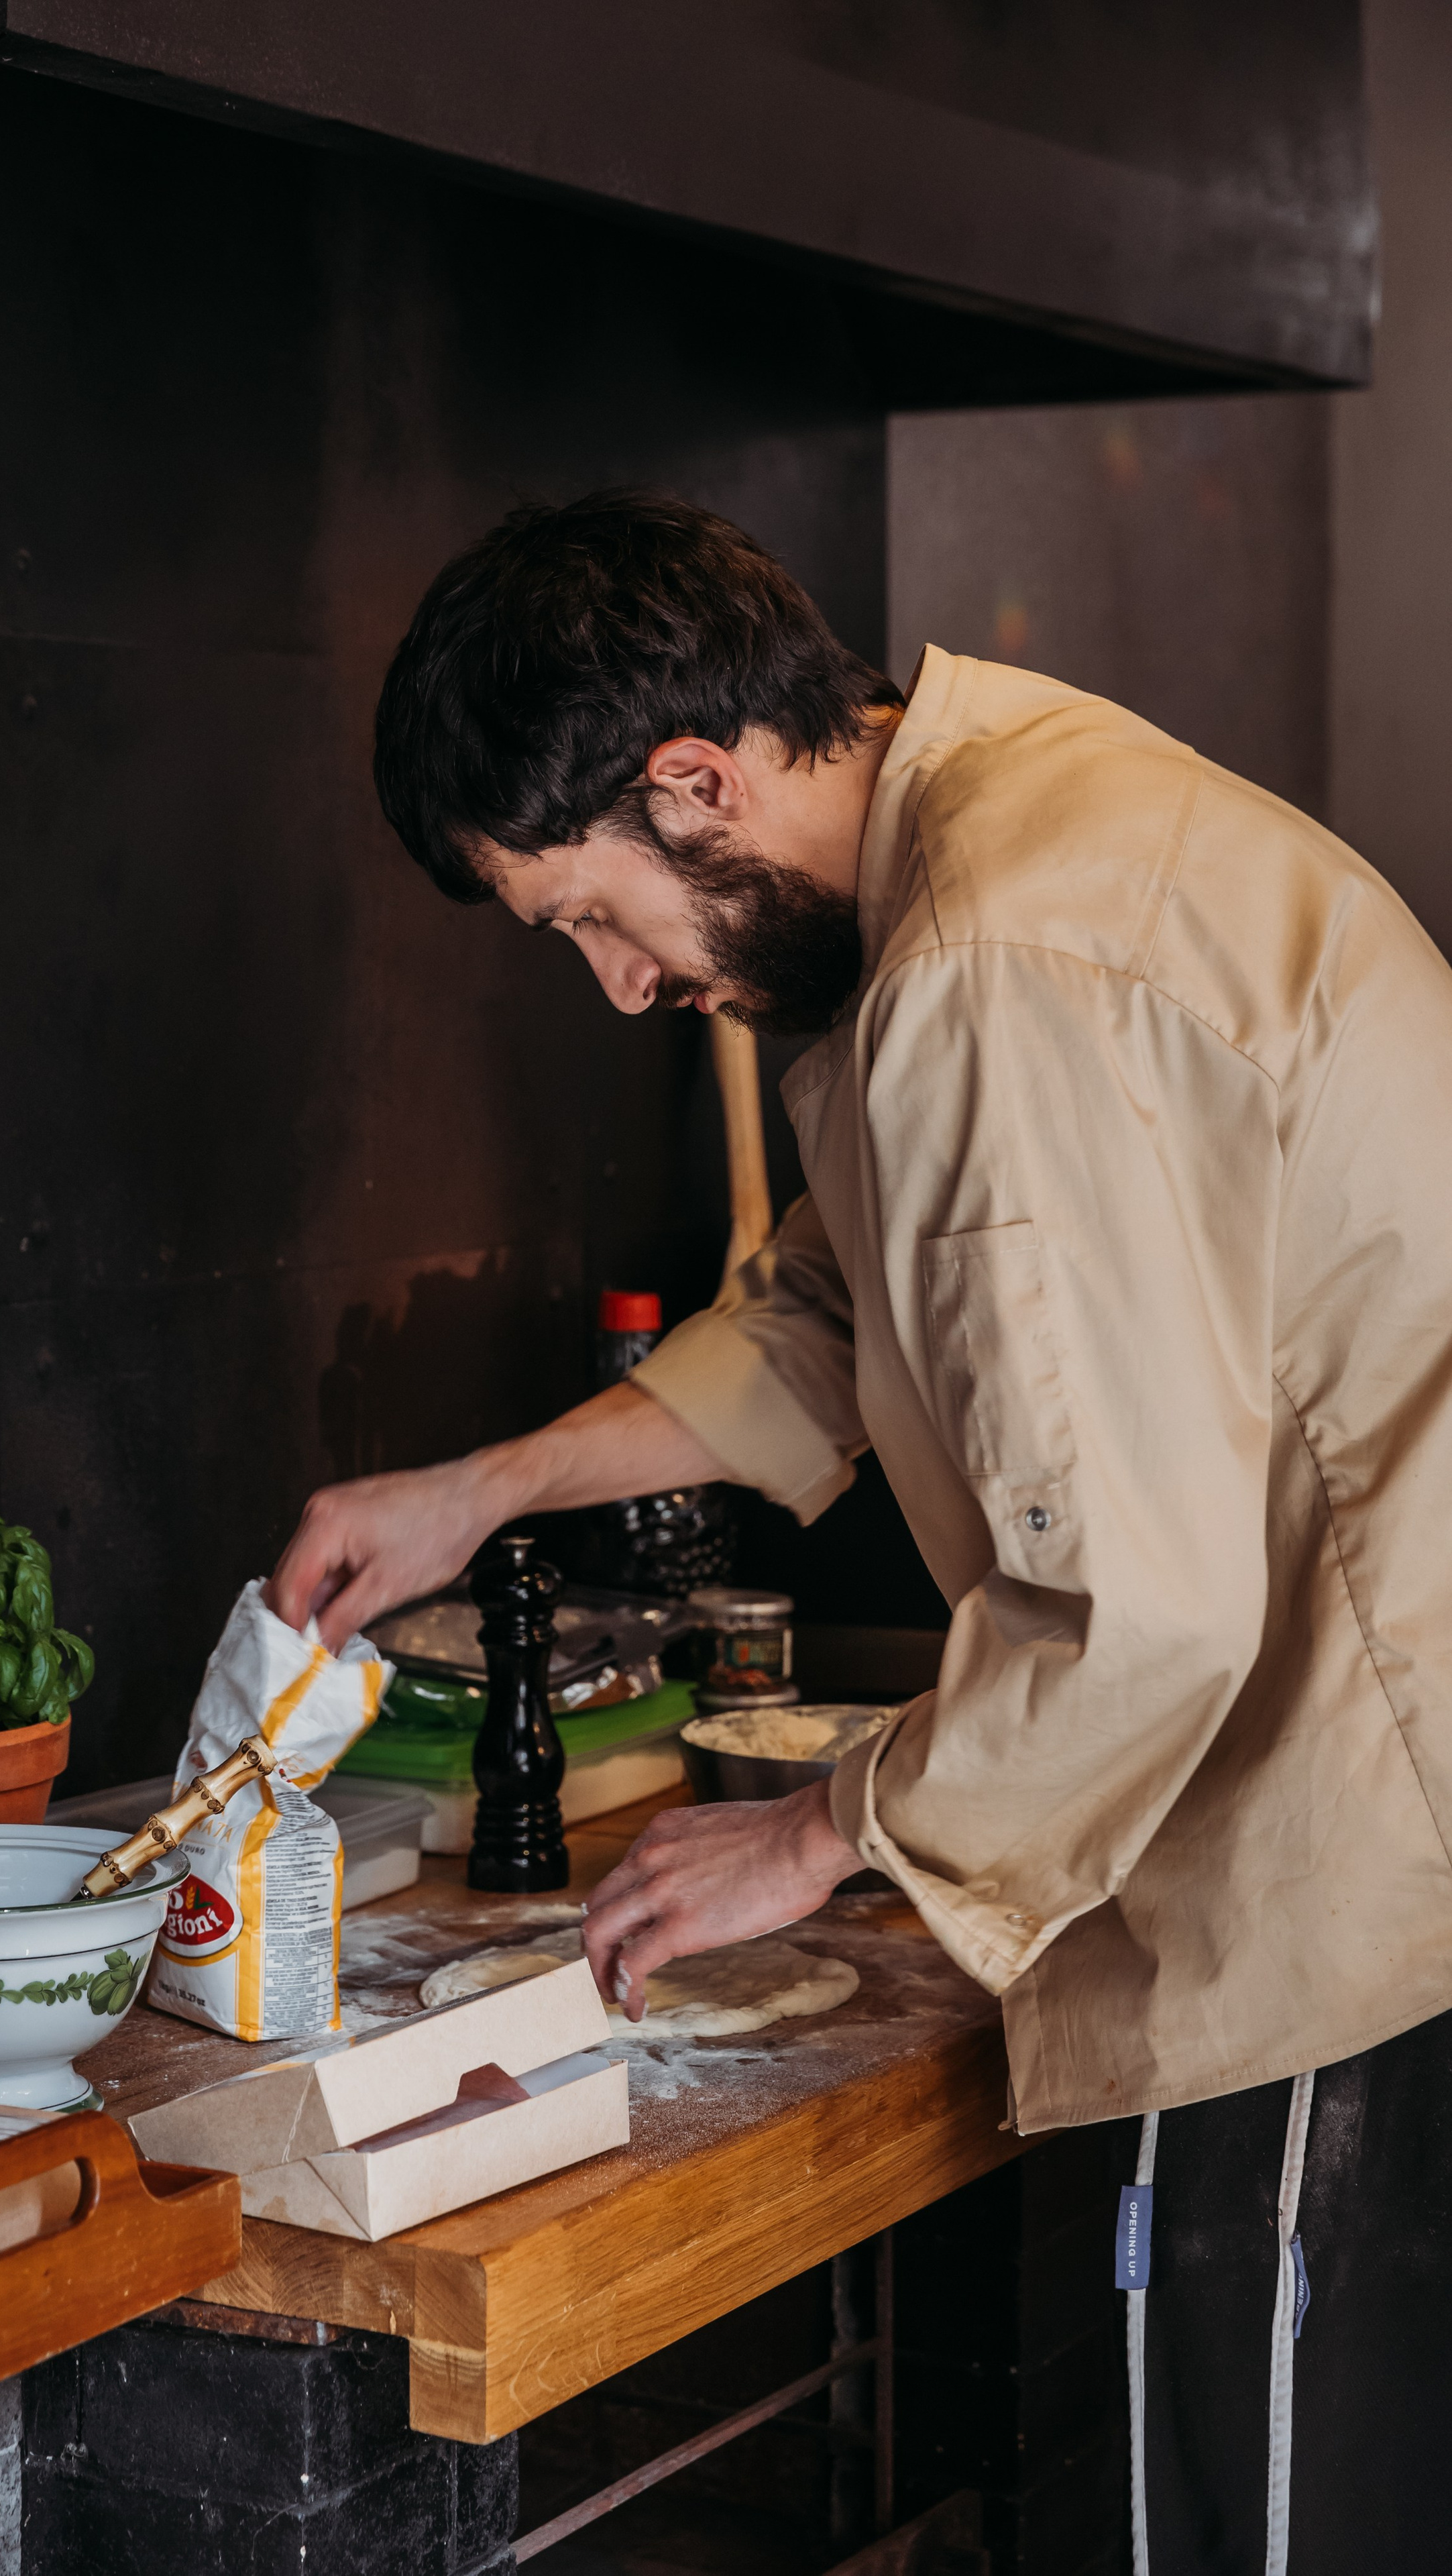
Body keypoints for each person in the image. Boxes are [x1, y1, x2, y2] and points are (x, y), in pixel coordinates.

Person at [269, 490, 1452, 2572]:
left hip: (1353, 1879)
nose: (624, 990)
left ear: (696, 779)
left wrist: (821, 1832)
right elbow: (836, 1308)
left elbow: (1142, 1617)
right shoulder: (994, 834)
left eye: (589, 919)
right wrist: (479, 1493)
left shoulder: (996, 967)